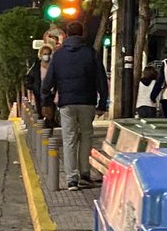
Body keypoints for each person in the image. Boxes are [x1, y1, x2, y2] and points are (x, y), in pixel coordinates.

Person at [41, 20, 108, 189]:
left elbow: (47, 82)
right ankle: (85, 173)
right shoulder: (91, 53)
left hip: (66, 103)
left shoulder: (58, 55)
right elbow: (101, 79)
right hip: (87, 101)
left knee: (69, 138)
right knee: (86, 135)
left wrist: (46, 99)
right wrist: (103, 102)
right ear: (82, 33)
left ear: (67, 35)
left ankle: (71, 178)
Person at [25, 46, 52, 118]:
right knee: (41, 113)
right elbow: (29, 78)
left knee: (50, 112)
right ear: (41, 55)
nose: (46, 56)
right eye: (44, 54)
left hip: (51, 93)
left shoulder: (53, 65)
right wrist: (33, 87)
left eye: (48, 54)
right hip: (39, 93)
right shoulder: (36, 66)